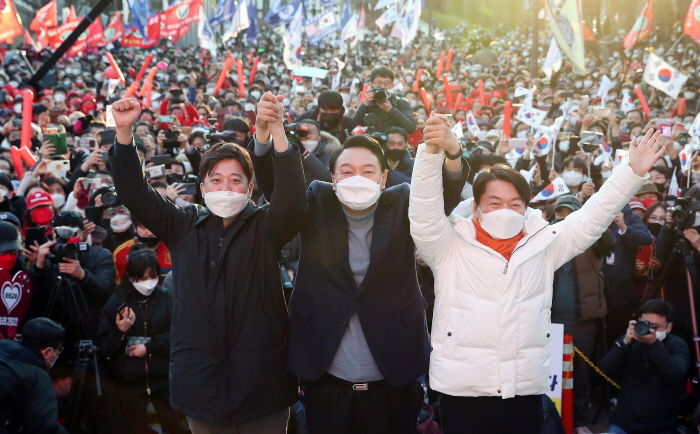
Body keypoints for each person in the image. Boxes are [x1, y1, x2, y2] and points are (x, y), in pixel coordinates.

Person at [408, 118, 664, 434]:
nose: (506, 210)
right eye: (495, 202)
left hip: (523, 390)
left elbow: (590, 219)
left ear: (526, 207)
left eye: (515, 203)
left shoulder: (543, 245)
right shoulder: (448, 247)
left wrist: (631, 173)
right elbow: (423, 214)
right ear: (476, 207)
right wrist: (433, 150)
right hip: (464, 392)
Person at [110, 94, 307, 433]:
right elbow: (135, 193)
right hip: (201, 382)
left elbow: (293, 203)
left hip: (262, 384)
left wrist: (278, 133)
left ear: (249, 187)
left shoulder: (265, 226)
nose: (226, 187)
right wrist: (125, 135)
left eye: (235, 179)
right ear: (202, 187)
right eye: (216, 179)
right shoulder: (182, 225)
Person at [251, 127, 468, 433]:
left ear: (383, 178)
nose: (357, 178)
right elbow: (280, 194)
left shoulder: (402, 201)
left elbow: (442, 197)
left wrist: (453, 152)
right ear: (333, 177)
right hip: (325, 369)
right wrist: (264, 139)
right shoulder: (318, 197)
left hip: (394, 368)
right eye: (347, 171)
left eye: (368, 171)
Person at [98, 248, 187, 434]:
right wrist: (120, 331)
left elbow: (180, 334)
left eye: (152, 276)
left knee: (174, 426)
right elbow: (104, 346)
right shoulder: (117, 302)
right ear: (131, 276)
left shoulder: (166, 298)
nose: (148, 283)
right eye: (142, 277)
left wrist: (149, 347)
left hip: (163, 380)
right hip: (129, 384)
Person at [549, 195, 614, 429]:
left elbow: (609, 243)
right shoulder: (546, 240)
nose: (565, 218)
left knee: (582, 375)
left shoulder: (592, 240)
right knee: (551, 374)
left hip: (583, 322)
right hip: (550, 322)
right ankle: (551, 419)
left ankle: (580, 421)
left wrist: (588, 218)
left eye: (571, 213)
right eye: (560, 213)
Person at [600, 299, 689, 434]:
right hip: (624, 424)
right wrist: (623, 343)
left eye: (656, 326)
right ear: (637, 322)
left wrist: (653, 344)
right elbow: (605, 369)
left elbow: (675, 375)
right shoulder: (629, 341)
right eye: (646, 324)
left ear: (669, 327)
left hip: (660, 427)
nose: (650, 330)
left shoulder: (677, 345)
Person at [0, 317, 68, 433]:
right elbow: (44, 428)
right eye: (59, 350)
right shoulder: (37, 377)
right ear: (47, 352)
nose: (58, 354)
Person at [353, 67, 417, 134]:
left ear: (392, 85)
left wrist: (391, 110)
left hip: (394, 142)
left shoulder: (401, 102)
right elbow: (353, 127)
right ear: (371, 84)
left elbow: (411, 128)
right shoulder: (367, 103)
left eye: (386, 83)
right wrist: (364, 105)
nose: (382, 86)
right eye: (378, 83)